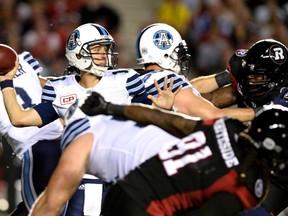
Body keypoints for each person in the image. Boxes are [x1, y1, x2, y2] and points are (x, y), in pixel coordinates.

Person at [30, 91, 288, 216]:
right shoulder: (245, 185)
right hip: (146, 208)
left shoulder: (223, 128)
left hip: (124, 192)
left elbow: (159, 117)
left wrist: (110, 107)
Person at [0, 23, 150, 215]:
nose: (104, 55)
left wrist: (164, 106)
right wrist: (6, 82)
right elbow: (20, 118)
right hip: (86, 175)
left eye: (105, 49)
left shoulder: (125, 79)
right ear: (78, 54)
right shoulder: (61, 89)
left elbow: (148, 114)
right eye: (97, 50)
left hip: (123, 170)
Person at [190, 38, 288, 215]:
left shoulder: (282, 101)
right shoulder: (244, 66)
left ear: (277, 79)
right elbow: (208, 94)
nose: (250, 80)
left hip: (281, 172)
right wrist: (178, 91)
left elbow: (219, 116)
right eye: (249, 74)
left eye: (258, 77)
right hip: (254, 156)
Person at [135, 23, 282, 123]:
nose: (250, 80)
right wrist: (269, 110)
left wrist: (227, 76)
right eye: (177, 52)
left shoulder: (142, 77)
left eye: (257, 76)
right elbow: (211, 110)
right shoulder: (163, 78)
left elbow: (190, 90)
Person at [0, 51, 63, 215]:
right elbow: (47, 84)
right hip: (62, 139)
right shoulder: (21, 59)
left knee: (36, 210)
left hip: (35, 149)